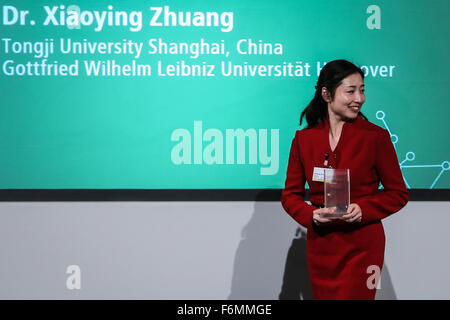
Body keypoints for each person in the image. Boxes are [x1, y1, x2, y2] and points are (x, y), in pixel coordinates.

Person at [281, 59, 409, 300]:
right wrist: (310, 215)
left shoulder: (376, 138)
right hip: (322, 245)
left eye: (362, 90)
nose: (359, 98)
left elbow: (398, 193)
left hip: (363, 245)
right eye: (350, 91)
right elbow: (289, 196)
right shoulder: (303, 139)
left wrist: (364, 209)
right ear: (326, 94)